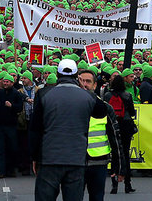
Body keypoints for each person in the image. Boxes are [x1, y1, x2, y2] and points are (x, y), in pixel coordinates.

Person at [30, 59, 107, 201]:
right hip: (76, 159)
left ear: (58, 75)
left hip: (49, 158)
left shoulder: (43, 94)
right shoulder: (88, 96)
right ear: (77, 76)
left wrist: (35, 157)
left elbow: (35, 129)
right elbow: (102, 111)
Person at [78, 69, 125, 201]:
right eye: (81, 81)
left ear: (94, 85)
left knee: (97, 198)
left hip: (98, 161)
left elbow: (115, 137)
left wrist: (119, 166)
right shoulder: (70, 107)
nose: (84, 84)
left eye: (88, 81)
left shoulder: (105, 107)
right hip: (76, 161)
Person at [103, 75, 137, 194]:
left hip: (113, 125)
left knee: (115, 153)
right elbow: (132, 112)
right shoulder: (128, 95)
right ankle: (128, 184)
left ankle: (114, 185)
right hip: (126, 124)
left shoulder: (107, 95)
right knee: (125, 154)